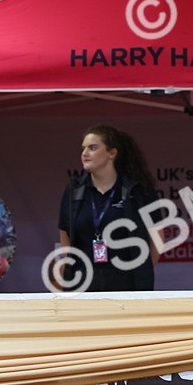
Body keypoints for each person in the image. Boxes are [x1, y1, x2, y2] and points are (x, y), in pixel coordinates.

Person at [57, 125, 160, 292]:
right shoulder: (74, 190)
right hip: (83, 281)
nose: (85, 154)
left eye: (93, 148)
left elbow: (157, 237)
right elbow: (64, 235)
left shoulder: (137, 189)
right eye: (83, 148)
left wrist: (142, 270)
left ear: (112, 153)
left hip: (128, 281)